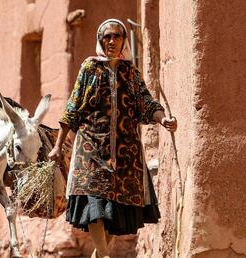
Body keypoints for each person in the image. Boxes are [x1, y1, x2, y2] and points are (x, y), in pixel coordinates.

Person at [48, 18, 177, 258]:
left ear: (123, 40)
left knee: (117, 207)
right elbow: (73, 107)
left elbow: (146, 103)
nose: (111, 41)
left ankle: (100, 252)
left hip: (126, 152)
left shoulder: (130, 72)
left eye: (117, 36)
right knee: (95, 200)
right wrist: (57, 147)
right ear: (100, 40)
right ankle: (105, 254)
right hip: (91, 147)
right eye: (106, 36)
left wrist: (163, 120)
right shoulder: (89, 68)